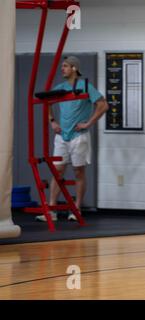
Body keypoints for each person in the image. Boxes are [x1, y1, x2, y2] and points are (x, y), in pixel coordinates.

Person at [36, 56, 109, 222]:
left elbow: (103, 105)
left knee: (78, 171)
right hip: (62, 136)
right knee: (57, 171)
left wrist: (88, 123)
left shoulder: (85, 86)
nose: (62, 69)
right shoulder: (60, 87)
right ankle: (52, 209)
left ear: (74, 68)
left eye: (66, 66)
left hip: (79, 136)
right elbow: (47, 103)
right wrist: (53, 121)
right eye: (62, 66)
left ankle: (76, 209)